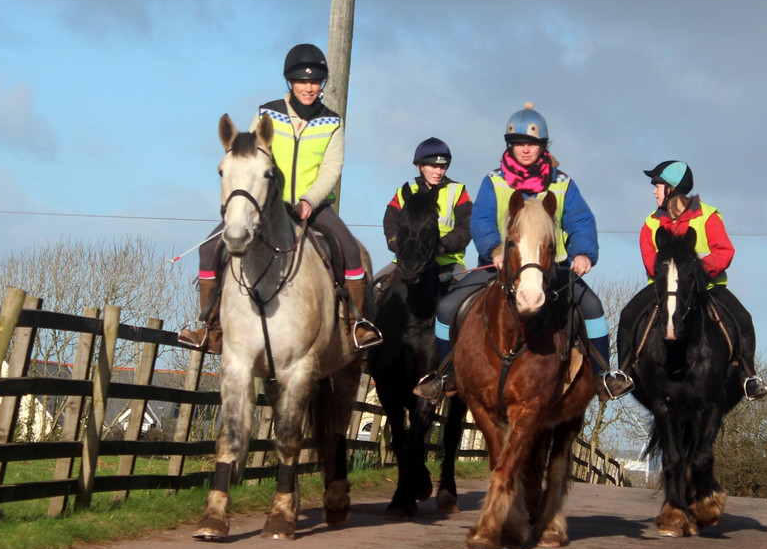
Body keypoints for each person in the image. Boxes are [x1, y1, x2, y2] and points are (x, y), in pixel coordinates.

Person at [415, 102, 632, 401]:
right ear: (509, 146)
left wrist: (583, 253)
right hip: (500, 266)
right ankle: (445, 375)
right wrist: (494, 249)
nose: (525, 150)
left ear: (543, 146)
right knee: (447, 309)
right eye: (519, 144)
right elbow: (481, 220)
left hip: (551, 270)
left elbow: (580, 220)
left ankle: (603, 375)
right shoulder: (494, 181)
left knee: (593, 309)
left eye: (532, 144)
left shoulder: (562, 183)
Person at [178, 43, 382, 354]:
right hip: (264, 205)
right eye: (302, 81)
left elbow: (331, 168)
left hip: (311, 207)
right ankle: (211, 329)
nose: (309, 87)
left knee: (351, 251)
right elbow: (246, 156)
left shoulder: (333, 122)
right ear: (291, 83)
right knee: (209, 248)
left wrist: (310, 200)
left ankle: (354, 327)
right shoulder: (266, 114)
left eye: (315, 82)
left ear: (322, 84)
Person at [615, 161, 767, 400]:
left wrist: (697, 271)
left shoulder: (708, 215)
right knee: (627, 315)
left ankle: (749, 376)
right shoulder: (651, 223)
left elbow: (724, 251)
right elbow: (650, 261)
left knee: (743, 319)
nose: (654, 191)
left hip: (708, 287)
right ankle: (622, 373)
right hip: (663, 290)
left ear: (673, 188)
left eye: (658, 185)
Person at [381, 137, 472, 378]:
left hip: (447, 262)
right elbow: (390, 223)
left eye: (442, 166)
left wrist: (442, 246)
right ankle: (366, 344)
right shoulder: (405, 192)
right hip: (406, 261)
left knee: (467, 304)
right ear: (420, 166)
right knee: (373, 287)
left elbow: (466, 226)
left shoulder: (458, 192)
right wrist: (398, 248)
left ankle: (461, 359)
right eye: (432, 166)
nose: (438, 170)